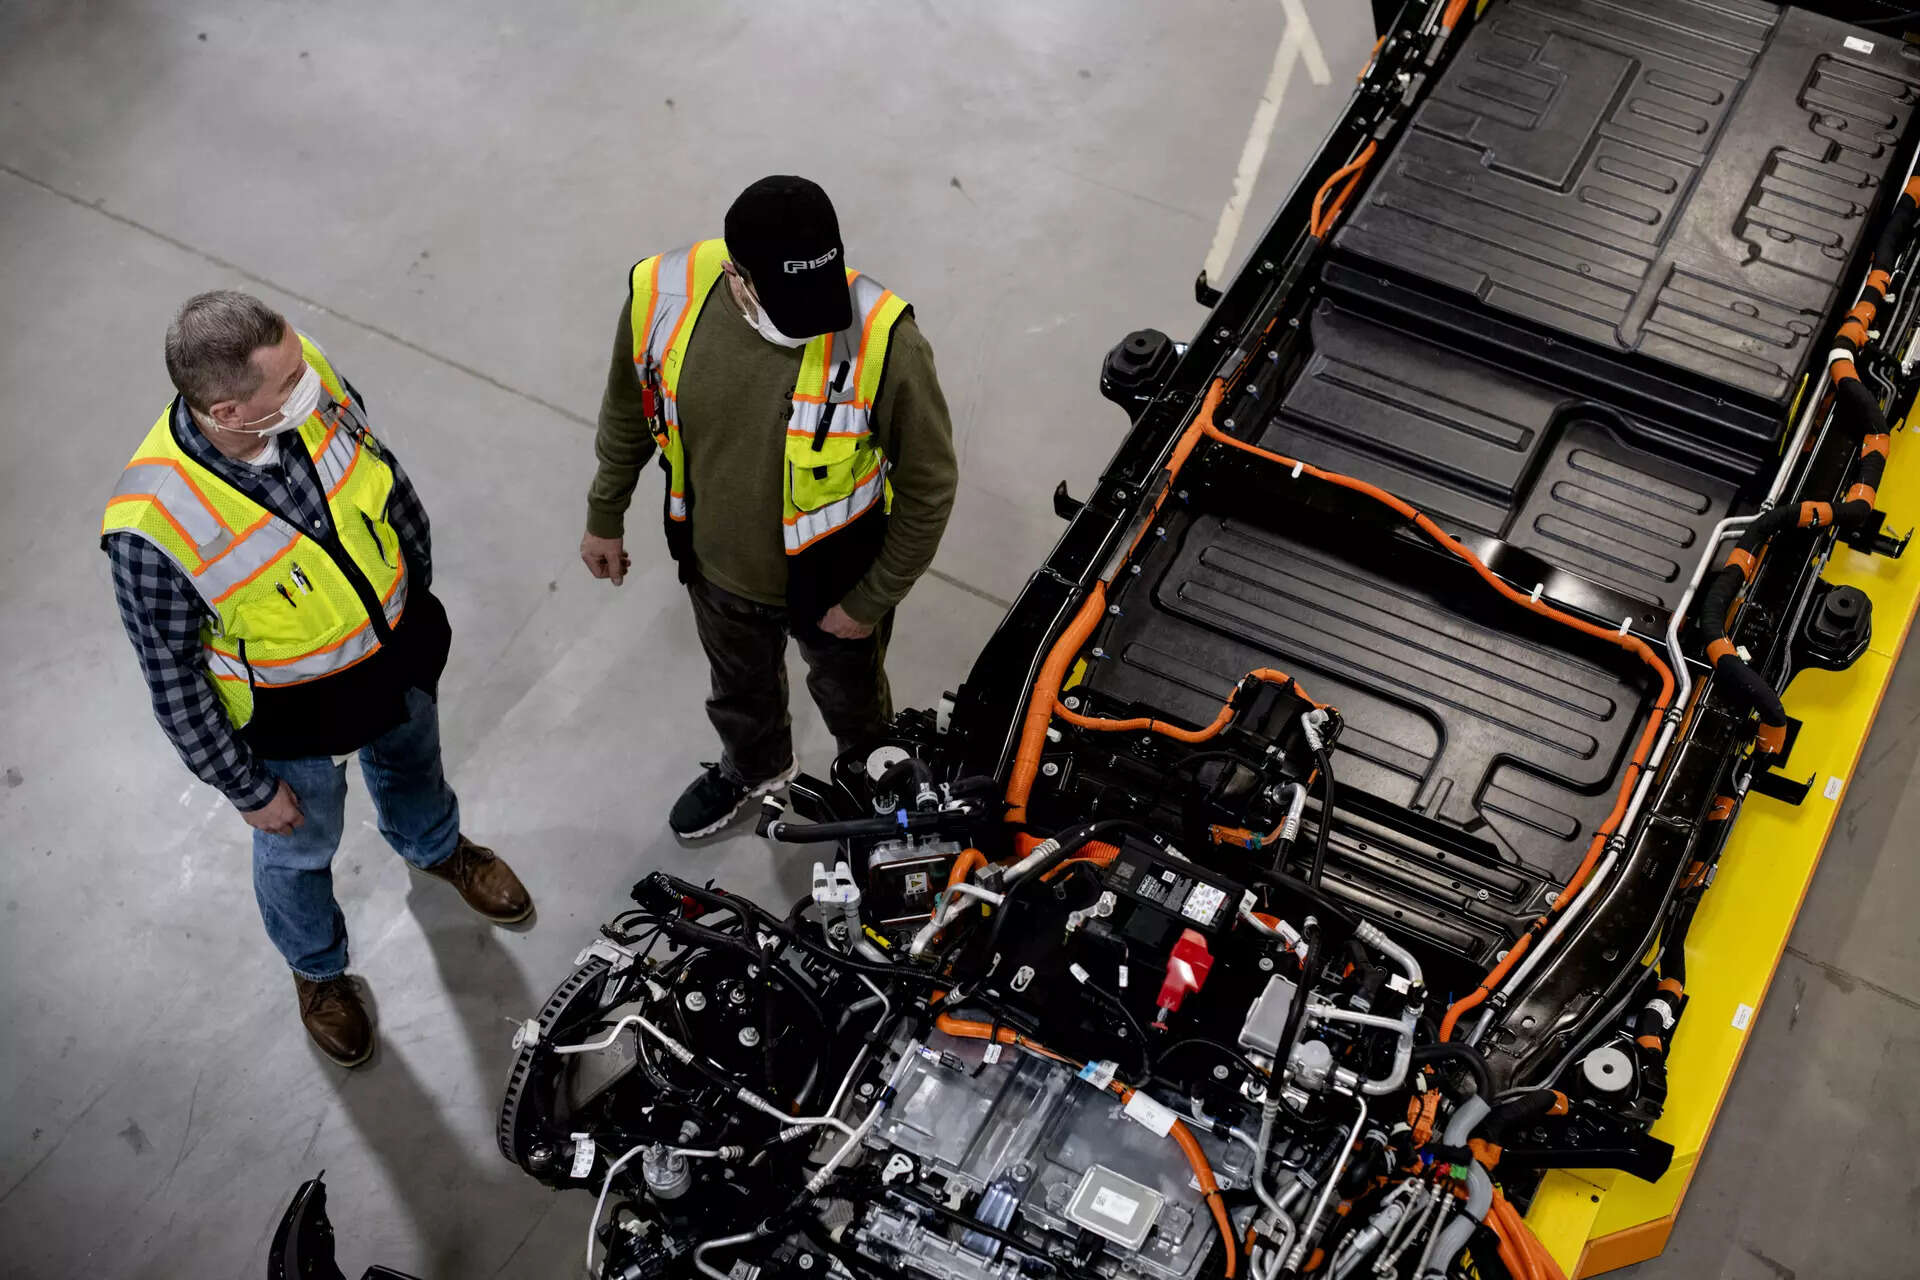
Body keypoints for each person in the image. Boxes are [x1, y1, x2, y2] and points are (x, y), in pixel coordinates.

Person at [103, 291, 531, 1068]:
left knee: (415, 766)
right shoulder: (152, 524)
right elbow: (172, 681)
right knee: (299, 849)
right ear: (229, 411)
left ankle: (436, 847)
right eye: (290, 380)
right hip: (291, 716)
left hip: (392, 650)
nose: (314, 381)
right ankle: (319, 972)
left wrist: (414, 602)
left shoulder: (311, 379)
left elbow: (386, 485)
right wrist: (246, 788)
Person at [582, 176, 958, 838]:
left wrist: (870, 601)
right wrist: (604, 513)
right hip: (717, 573)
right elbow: (627, 406)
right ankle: (755, 766)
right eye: (788, 303)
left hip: (838, 583)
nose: (813, 320)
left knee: (856, 704)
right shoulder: (663, 296)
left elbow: (929, 486)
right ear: (738, 276)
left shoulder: (885, 338)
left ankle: (869, 779)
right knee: (739, 690)